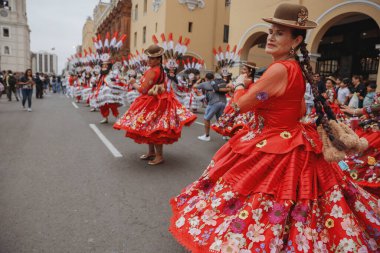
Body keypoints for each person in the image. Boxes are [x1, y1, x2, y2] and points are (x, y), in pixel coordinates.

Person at [169, 3, 378, 252]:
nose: (270, 37)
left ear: (296, 40)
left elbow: (240, 106)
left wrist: (238, 85)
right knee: (300, 203)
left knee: (256, 198)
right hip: (294, 139)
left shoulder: (278, 69)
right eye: (271, 31)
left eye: (279, 33)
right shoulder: (295, 69)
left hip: (274, 143)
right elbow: (299, 110)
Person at [114, 44, 197, 165]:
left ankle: (159, 156)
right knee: (150, 127)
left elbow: (143, 90)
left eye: (151, 58)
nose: (149, 60)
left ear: (158, 59)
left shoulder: (153, 71)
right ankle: (151, 152)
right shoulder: (158, 69)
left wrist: (133, 82)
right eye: (148, 58)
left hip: (153, 102)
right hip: (154, 100)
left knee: (156, 129)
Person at [196, 73, 229, 141]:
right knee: (221, 120)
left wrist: (199, 80)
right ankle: (225, 135)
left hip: (214, 102)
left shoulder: (205, 83)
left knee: (206, 118)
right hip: (223, 101)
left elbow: (195, 86)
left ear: (206, 77)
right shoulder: (219, 83)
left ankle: (207, 136)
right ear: (213, 77)